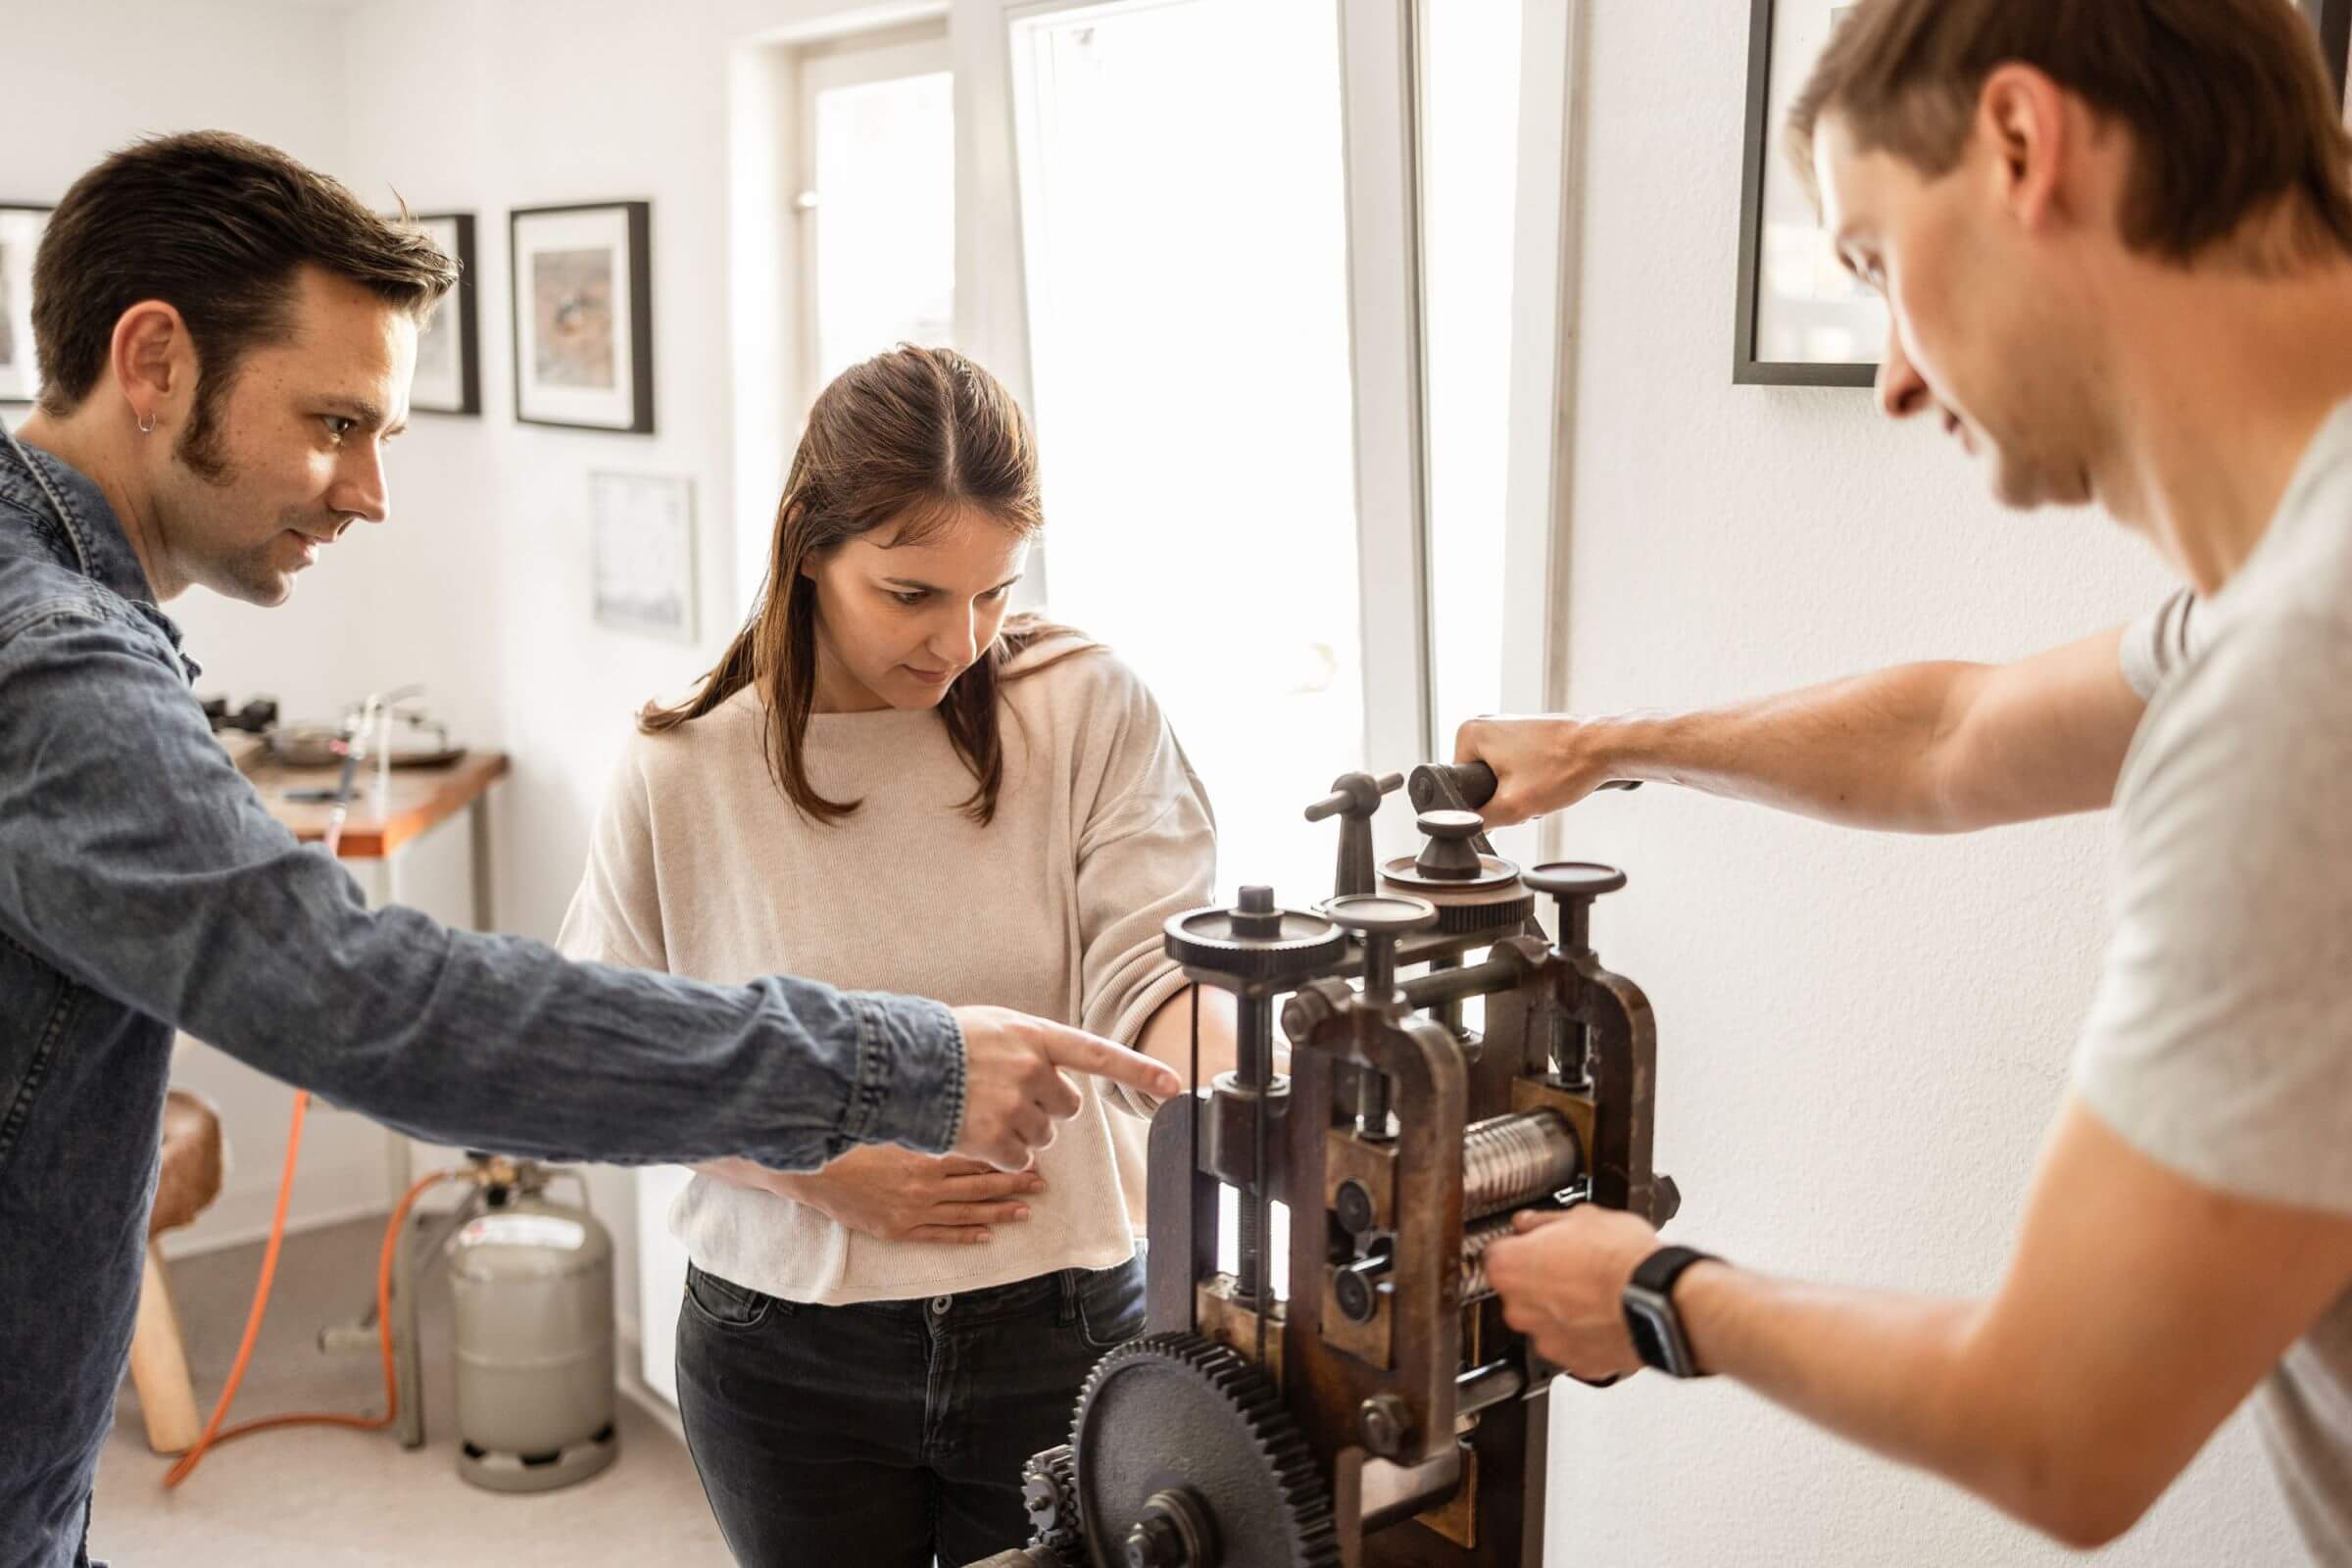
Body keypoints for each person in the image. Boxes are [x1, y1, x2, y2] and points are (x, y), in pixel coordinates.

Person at [0, 132, 1178, 1568]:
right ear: (155, 361)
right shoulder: (51, 667)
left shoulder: (1087, 706)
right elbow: (369, 1003)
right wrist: (896, 1070)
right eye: (338, 422)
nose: (369, 493)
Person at [1465, 0, 2352, 1555]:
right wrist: (1610, 747)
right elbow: (1953, 736)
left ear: (2022, 141)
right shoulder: (2291, 591)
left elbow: (2059, 1429)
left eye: (1876, 263)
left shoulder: (2302, 679)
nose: (1893, 379)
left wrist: (1660, 1296)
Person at [557, 344, 1230, 1567]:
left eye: (994, 593)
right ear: (809, 546)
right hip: (784, 1344)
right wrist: (812, 1165)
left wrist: (1244, 1095)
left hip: (1064, 1322)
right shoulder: (685, 768)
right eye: (911, 593)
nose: (959, 642)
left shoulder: (1082, 707)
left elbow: (1157, 974)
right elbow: (598, 1068)